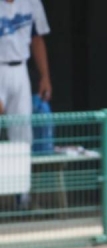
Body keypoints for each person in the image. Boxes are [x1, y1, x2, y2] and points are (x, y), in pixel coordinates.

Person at [0, 0, 52, 210]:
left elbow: (37, 39)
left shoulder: (31, 2)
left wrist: (45, 76)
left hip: (20, 70)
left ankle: (22, 197)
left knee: (22, 136)